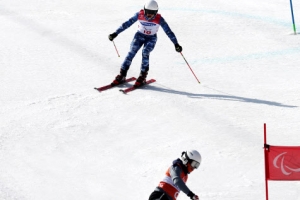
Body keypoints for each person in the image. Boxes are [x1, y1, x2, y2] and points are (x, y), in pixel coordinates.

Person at [108, 0, 182, 87]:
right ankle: (122, 74)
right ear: (144, 10)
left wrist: (176, 44)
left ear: (156, 12)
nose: (149, 15)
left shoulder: (159, 19)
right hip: (139, 36)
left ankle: (142, 76)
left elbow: (168, 31)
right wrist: (115, 33)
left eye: (152, 13)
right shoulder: (139, 15)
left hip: (151, 38)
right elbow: (127, 24)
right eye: (147, 12)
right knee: (131, 53)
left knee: (145, 52)